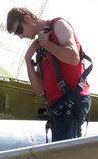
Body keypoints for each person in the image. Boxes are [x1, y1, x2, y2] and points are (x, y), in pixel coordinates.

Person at [6, 7, 91, 141]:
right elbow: (39, 90)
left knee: (62, 156)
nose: (21, 36)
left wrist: (46, 44)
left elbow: (73, 57)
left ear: (27, 19)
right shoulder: (41, 43)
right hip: (59, 107)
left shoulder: (58, 25)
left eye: (19, 30)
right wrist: (28, 59)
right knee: (64, 155)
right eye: (18, 34)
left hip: (71, 102)